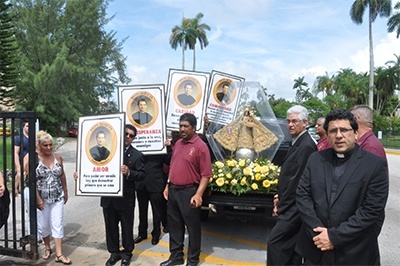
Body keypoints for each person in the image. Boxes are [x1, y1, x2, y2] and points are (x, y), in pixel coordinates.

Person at [296, 109, 389, 265]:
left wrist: (333, 237)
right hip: (317, 247)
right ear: (328, 135)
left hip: (354, 252)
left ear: (356, 133)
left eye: (344, 130)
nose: (339, 135)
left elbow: (371, 210)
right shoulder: (315, 159)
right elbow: (302, 196)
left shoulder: (374, 165)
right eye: (333, 131)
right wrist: (318, 232)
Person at [267, 105, 317, 266]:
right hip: (290, 204)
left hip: (294, 207)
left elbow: (297, 182)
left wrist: (281, 206)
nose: (290, 125)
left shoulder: (306, 145)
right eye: (288, 121)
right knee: (293, 248)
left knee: (276, 244)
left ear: (305, 123)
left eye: (295, 121)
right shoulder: (298, 142)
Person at [160, 113, 212, 266]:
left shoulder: (201, 147)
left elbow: (206, 175)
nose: (182, 129)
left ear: (194, 128)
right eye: (180, 126)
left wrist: (198, 194)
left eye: (186, 126)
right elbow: (172, 167)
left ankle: (193, 260)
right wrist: (167, 185)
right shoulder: (178, 144)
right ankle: (175, 256)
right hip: (174, 191)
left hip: (189, 192)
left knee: (193, 227)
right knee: (174, 225)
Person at [101, 124, 145, 266]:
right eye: (126, 133)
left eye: (131, 135)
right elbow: (94, 166)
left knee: (127, 227)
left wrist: (129, 173)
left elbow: (142, 175)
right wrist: (82, 176)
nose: (127, 137)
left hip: (125, 199)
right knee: (111, 227)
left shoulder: (137, 155)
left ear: (133, 139)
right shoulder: (106, 151)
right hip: (108, 198)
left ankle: (127, 253)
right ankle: (114, 253)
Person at [35, 131, 71, 264]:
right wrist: (37, 199)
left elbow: (62, 175)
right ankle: (47, 247)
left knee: (57, 224)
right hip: (42, 199)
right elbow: (31, 181)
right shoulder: (34, 159)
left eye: (51, 145)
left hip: (57, 197)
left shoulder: (58, 158)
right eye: (46, 145)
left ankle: (59, 254)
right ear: (40, 145)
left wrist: (65, 190)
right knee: (44, 226)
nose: (49, 148)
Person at [134, 154, 170, 246]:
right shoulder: (138, 147)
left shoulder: (159, 148)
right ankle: (142, 233)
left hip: (155, 183)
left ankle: (156, 234)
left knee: (156, 211)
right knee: (142, 211)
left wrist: (167, 148)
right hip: (141, 184)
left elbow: (170, 161)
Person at [14, 120, 29, 194]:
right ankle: (15, 189)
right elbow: (15, 153)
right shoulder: (19, 138)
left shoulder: (35, 137)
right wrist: (18, 166)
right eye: (27, 126)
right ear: (23, 127)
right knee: (19, 174)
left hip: (33, 161)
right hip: (23, 160)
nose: (29, 128)